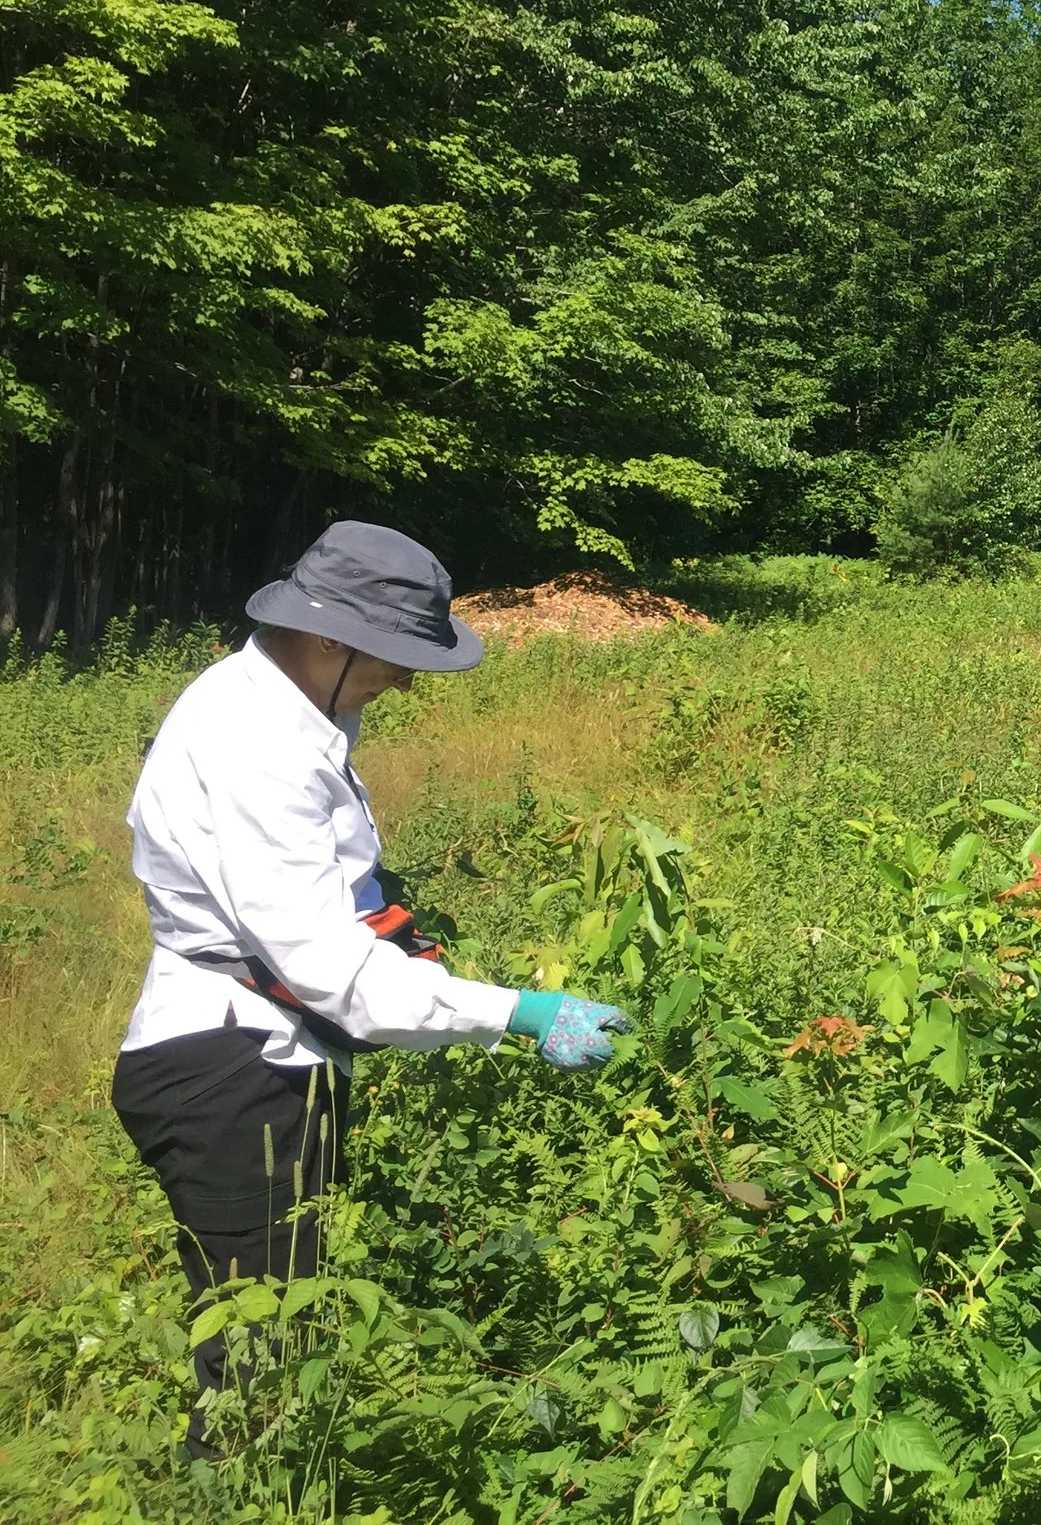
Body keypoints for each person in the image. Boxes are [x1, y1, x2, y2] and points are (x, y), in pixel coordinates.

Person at [108, 520, 630, 1456]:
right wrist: (520, 1012)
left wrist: (391, 917)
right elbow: (338, 977)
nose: (404, 678)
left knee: (272, 1324)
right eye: (392, 655)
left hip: (257, 1048)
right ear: (329, 637)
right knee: (255, 1364)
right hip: (230, 1069)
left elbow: (331, 898)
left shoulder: (293, 705)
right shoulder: (252, 745)